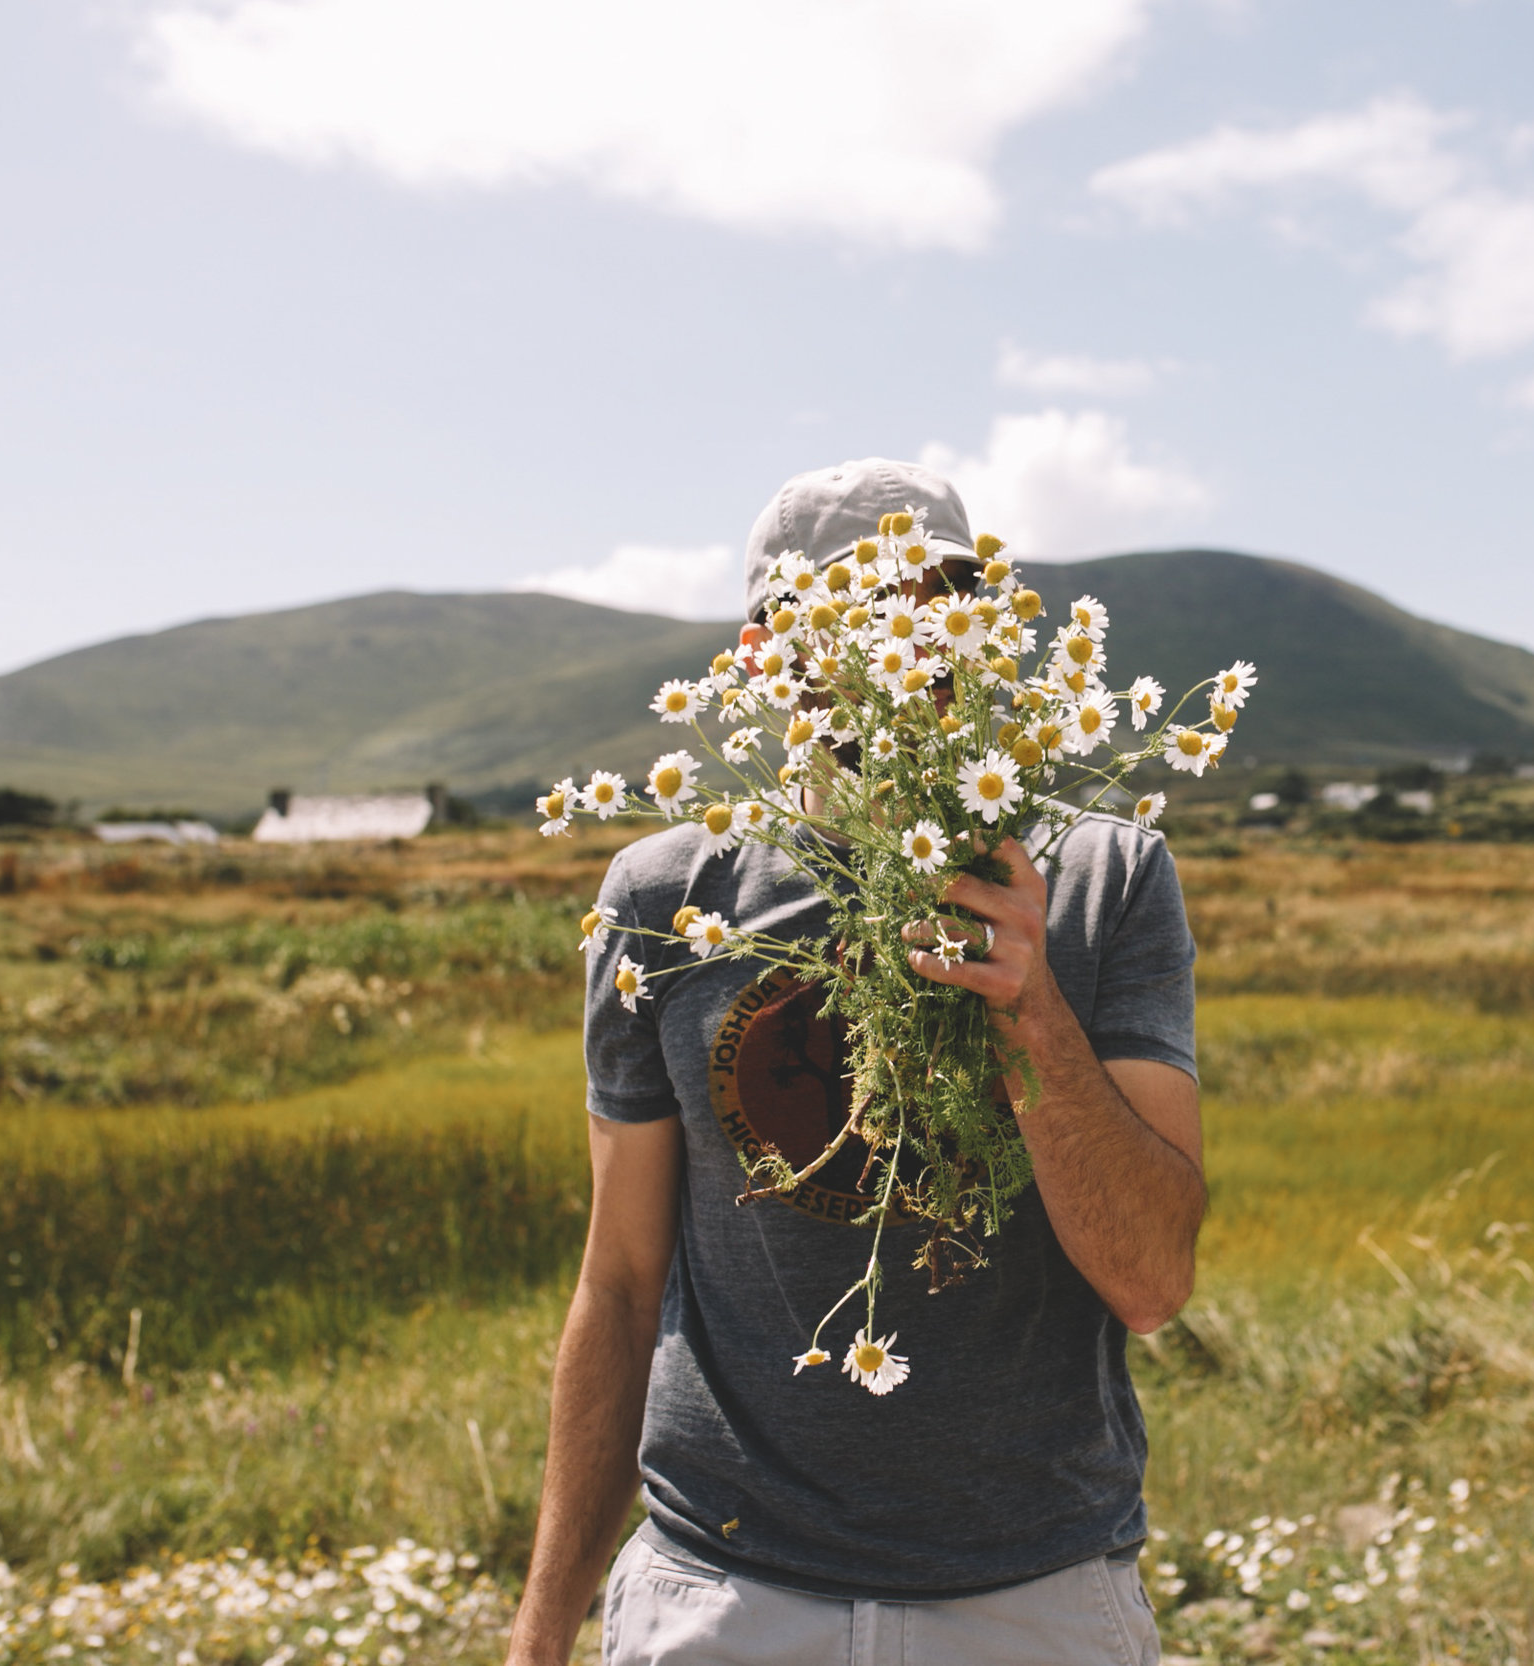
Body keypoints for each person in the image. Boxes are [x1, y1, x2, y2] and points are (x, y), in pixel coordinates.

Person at [504, 458, 1205, 1666]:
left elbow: (1150, 1282)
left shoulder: (1098, 879)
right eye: (841, 611)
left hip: (1027, 1600)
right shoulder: (665, 897)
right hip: (722, 1597)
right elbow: (618, 1283)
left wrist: (1030, 1009)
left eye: (928, 597)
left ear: (975, 623)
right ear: (764, 647)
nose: (891, 637)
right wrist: (537, 1635)